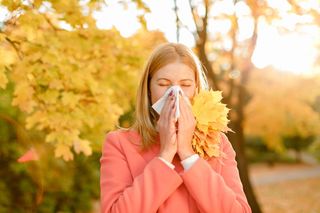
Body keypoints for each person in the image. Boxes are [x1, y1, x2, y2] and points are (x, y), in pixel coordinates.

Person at [100, 43, 252, 213]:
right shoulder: (119, 143)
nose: (175, 93)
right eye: (164, 84)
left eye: (185, 85)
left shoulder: (218, 143)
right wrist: (164, 156)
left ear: (196, 90)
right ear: (149, 89)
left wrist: (188, 154)